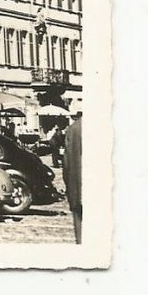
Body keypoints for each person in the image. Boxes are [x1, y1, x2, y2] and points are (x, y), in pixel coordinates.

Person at [62, 104, 82, 243]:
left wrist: (69, 189)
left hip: (78, 189)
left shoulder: (73, 129)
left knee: (81, 235)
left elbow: (66, 164)